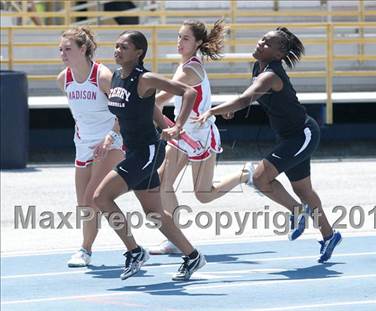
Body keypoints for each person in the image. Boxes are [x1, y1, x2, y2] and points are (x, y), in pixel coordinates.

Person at [196, 27, 342, 263]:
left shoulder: (271, 74)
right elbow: (249, 96)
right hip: (289, 137)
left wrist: (215, 110)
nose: (260, 43)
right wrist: (230, 109)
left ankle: (297, 212)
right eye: (261, 38)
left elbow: (245, 99)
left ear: (278, 54)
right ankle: (330, 235)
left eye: (267, 43)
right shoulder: (259, 67)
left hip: (301, 135)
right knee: (303, 190)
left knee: (259, 178)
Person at [92, 30, 206, 281]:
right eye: (116, 45)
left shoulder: (145, 78)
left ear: (138, 52)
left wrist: (176, 126)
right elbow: (142, 107)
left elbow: (189, 92)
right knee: (155, 214)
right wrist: (112, 136)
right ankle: (193, 256)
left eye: (124, 47)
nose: (117, 50)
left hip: (148, 151)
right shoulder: (117, 78)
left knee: (101, 197)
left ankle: (134, 251)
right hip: (134, 150)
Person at [148, 18, 254, 255]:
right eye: (178, 36)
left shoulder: (190, 69)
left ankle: (246, 174)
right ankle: (176, 240)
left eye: (185, 38)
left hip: (201, 137)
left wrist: (129, 109)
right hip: (182, 135)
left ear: (197, 43)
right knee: (161, 185)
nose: (179, 42)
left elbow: (160, 98)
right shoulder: (184, 65)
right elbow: (193, 99)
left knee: (203, 194)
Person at [57, 26, 125, 267]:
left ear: (83, 49)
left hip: (110, 142)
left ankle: (88, 249)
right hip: (83, 144)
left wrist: (110, 135)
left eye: (68, 49)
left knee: (93, 199)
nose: (62, 54)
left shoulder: (103, 76)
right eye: (60, 50)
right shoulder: (63, 79)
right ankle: (89, 250)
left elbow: (123, 112)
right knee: (84, 204)